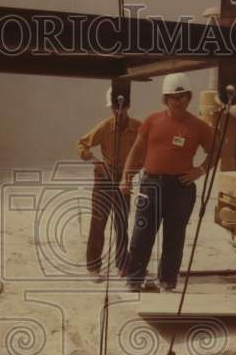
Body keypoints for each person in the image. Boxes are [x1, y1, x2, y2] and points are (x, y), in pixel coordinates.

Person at [119, 73, 215, 292]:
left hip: (181, 189)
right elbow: (136, 150)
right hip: (151, 185)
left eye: (182, 96)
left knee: (174, 236)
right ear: (165, 99)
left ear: (189, 98)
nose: (178, 101)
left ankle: (167, 281)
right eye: (173, 96)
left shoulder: (198, 126)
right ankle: (134, 279)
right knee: (142, 234)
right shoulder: (152, 121)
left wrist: (199, 170)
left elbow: (215, 151)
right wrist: (126, 177)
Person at [77, 88, 141, 278]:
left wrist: (132, 172)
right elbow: (82, 143)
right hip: (104, 179)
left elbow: (148, 149)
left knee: (121, 224)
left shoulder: (139, 127)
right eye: (114, 108)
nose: (118, 111)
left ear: (128, 105)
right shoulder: (104, 127)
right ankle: (93, 267)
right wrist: (94, 161)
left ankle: (122, 265)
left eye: (121, 107)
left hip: (124, 179)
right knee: (98, 223)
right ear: (111, 107)